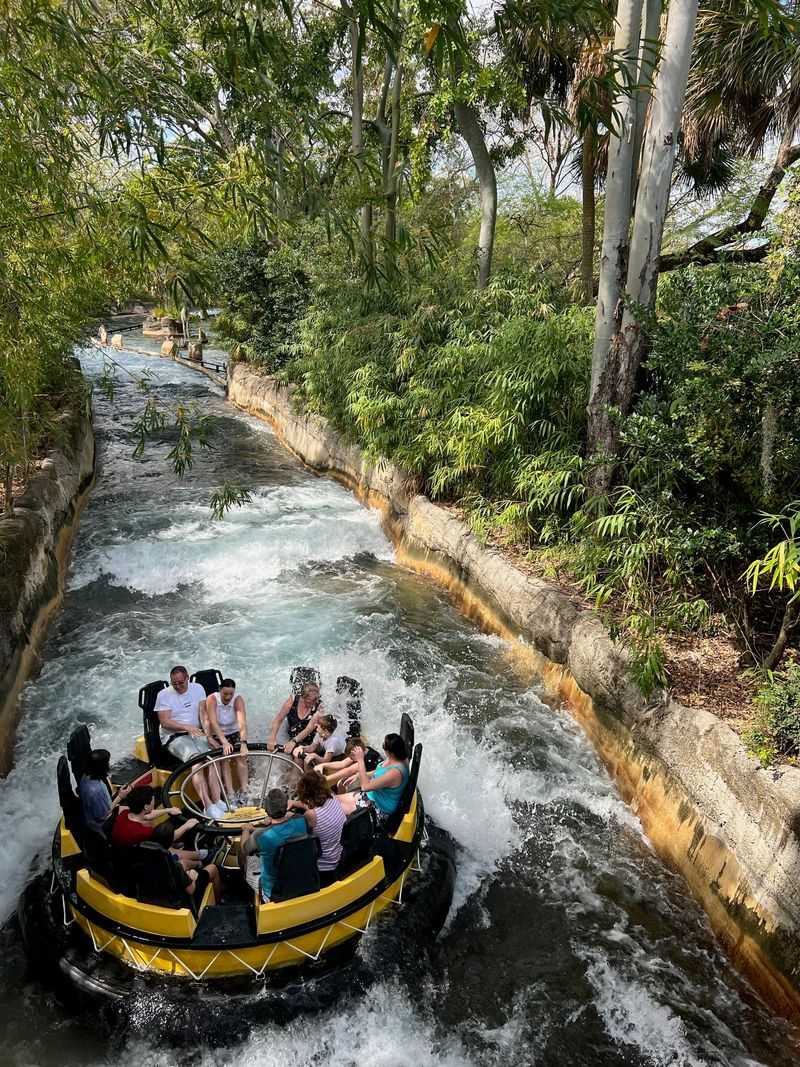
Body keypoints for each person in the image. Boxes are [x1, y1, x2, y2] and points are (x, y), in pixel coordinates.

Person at [155, 665, 224, 818]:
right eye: (175, 684)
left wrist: (208, 736)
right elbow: (165, 722)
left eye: (181, 683)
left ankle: (217, 800)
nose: (178, 686)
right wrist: (187, 727)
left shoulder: (198, 688)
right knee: (195, 759)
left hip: (196, 733)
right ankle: (207, 805)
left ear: (187, 678)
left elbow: (203, 714)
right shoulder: (163, 695)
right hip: (174, 736)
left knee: (214, 756)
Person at [111, 785, 205, 871]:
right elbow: (170, 837)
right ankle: (201, 858)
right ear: (146, 806)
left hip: (122, 853)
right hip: (136, 863)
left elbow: (147, 816)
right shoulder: (142, 832)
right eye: (153, 800)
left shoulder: (124, 813)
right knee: (169, 850)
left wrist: (168, 810)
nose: (154, 801)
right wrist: (187, 825)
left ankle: (199, 856)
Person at [240, 788, 306, 902]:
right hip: (300, 882)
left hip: (274, 893)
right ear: (286, 806)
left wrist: (246, 830)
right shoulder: (302, 821)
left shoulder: (260, 835)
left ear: (266, 810)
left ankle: (249, 897)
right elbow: (288, 821)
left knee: (244, 856)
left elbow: (244, 849)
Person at [338, 733, 410, 827]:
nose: (383, 747)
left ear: (391, 752)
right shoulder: (394, 758)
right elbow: (379, 772)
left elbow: (365, 787)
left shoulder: (395, 773)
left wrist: (360, 760)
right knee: (335, 799)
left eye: (384, 746)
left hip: (378, 808)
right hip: (371, 796)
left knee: (335, 807)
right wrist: (359, 775)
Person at [290, 771, 347, 887]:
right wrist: (295, 803)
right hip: (339, 856)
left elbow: (294, 834)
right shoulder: (332, 798)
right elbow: (313, 805)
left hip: (323, 867)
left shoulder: (311, 815)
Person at [205, 678, 249, 802]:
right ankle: (230, 794)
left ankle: (245, 791)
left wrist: (243, 743)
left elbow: (242, 723)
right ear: (220, 690)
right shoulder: (212, 699)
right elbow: (213, 721)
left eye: (231, 694)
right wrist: (224, 742)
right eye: (225, 694)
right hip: (218, 733)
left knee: (241, 756)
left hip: (233, 731)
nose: (228, 697)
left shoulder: (238, 699)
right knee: (225, 757)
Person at [78, 748, 133, 835]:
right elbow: (104, 815)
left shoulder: (86, 776)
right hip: (103, 825)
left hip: (99, 809)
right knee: (136, 812)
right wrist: (120, 796)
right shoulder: (95, 791)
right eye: (107, 763)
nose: (109, 765)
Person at [267, 680, 323, 755]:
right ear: (302, 697)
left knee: (298, 756)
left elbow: (309, 728)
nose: (313, 703)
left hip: (310, 742)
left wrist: (293, 742)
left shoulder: (319, 706)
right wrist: (272, 738)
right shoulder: (292, 700)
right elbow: (278, 720)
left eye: (315, 700)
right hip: (293, 737)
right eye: (310, 701)